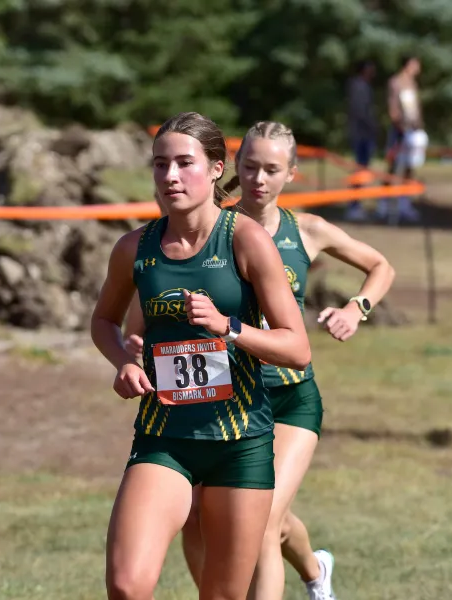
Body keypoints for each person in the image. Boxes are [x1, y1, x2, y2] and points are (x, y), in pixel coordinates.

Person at [125, 121, 395, 599]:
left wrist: (358, 309)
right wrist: (135, 349)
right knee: (212, 519)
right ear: (231, 168)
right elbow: (140, 313)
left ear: (291, 174)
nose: (258, 179)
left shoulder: (305, 230)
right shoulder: (212, 228)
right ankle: (316, 571)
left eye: (271, 169)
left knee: (266, 518)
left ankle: (303, 581)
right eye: (249, 167)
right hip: (216, 401)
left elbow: (381, 266)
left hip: (286, 397)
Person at [90, 112, 311, 600]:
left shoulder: (245, 239)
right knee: (127, 586)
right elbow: (103, 321)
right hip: (164, 438)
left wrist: (230, 328)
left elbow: (296, 347)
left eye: (184, 163)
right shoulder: (135, 248)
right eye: (160, 164)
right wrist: (123, 363)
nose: (169, 176)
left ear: (215, 168)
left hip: (240, 444)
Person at [380, 56, 424, 223]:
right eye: (415, 65)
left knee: (410, 167)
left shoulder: (413, 84)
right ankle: (384, 203)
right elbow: (393, 107)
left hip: (412, 131)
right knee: (392, 165)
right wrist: (398, 124)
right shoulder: (395, 82)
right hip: (399, 131)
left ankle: (405, 203)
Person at [344, 59, 378, 222]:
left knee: (363, 170)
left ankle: (357, 203)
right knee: (359, 170)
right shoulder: (358, 87)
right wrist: (371, 126)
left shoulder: (364, 86)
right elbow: (360, 112)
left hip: (365, 134)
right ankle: (354, 205)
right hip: (361, 135)